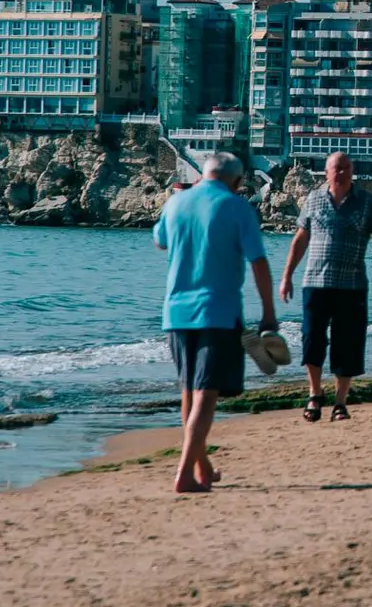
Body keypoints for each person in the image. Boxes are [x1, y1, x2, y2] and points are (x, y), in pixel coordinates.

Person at [152, 152, 276, 494]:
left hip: (175, 311)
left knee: (188, 391)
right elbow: (259, 262)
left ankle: (201, 466)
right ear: (236, 181)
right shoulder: (238, 208)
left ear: (203, 175)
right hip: (217, 311)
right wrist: (268, 313)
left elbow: (160, 241)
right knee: (207, 393)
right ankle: (184, 473)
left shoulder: (176, 203)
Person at [278, 152, 372, 423]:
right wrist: (286, 275)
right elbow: (301, 238)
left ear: (352, 171)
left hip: (352, 285)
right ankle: (315, 394)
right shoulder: (314, 199)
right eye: (336, 169)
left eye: (346, 168)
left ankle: (340, 401)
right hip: (315, 282)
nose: (341, 173)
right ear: (326, 172)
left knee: (348, 344)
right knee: (312, 339)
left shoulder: (366, 202)